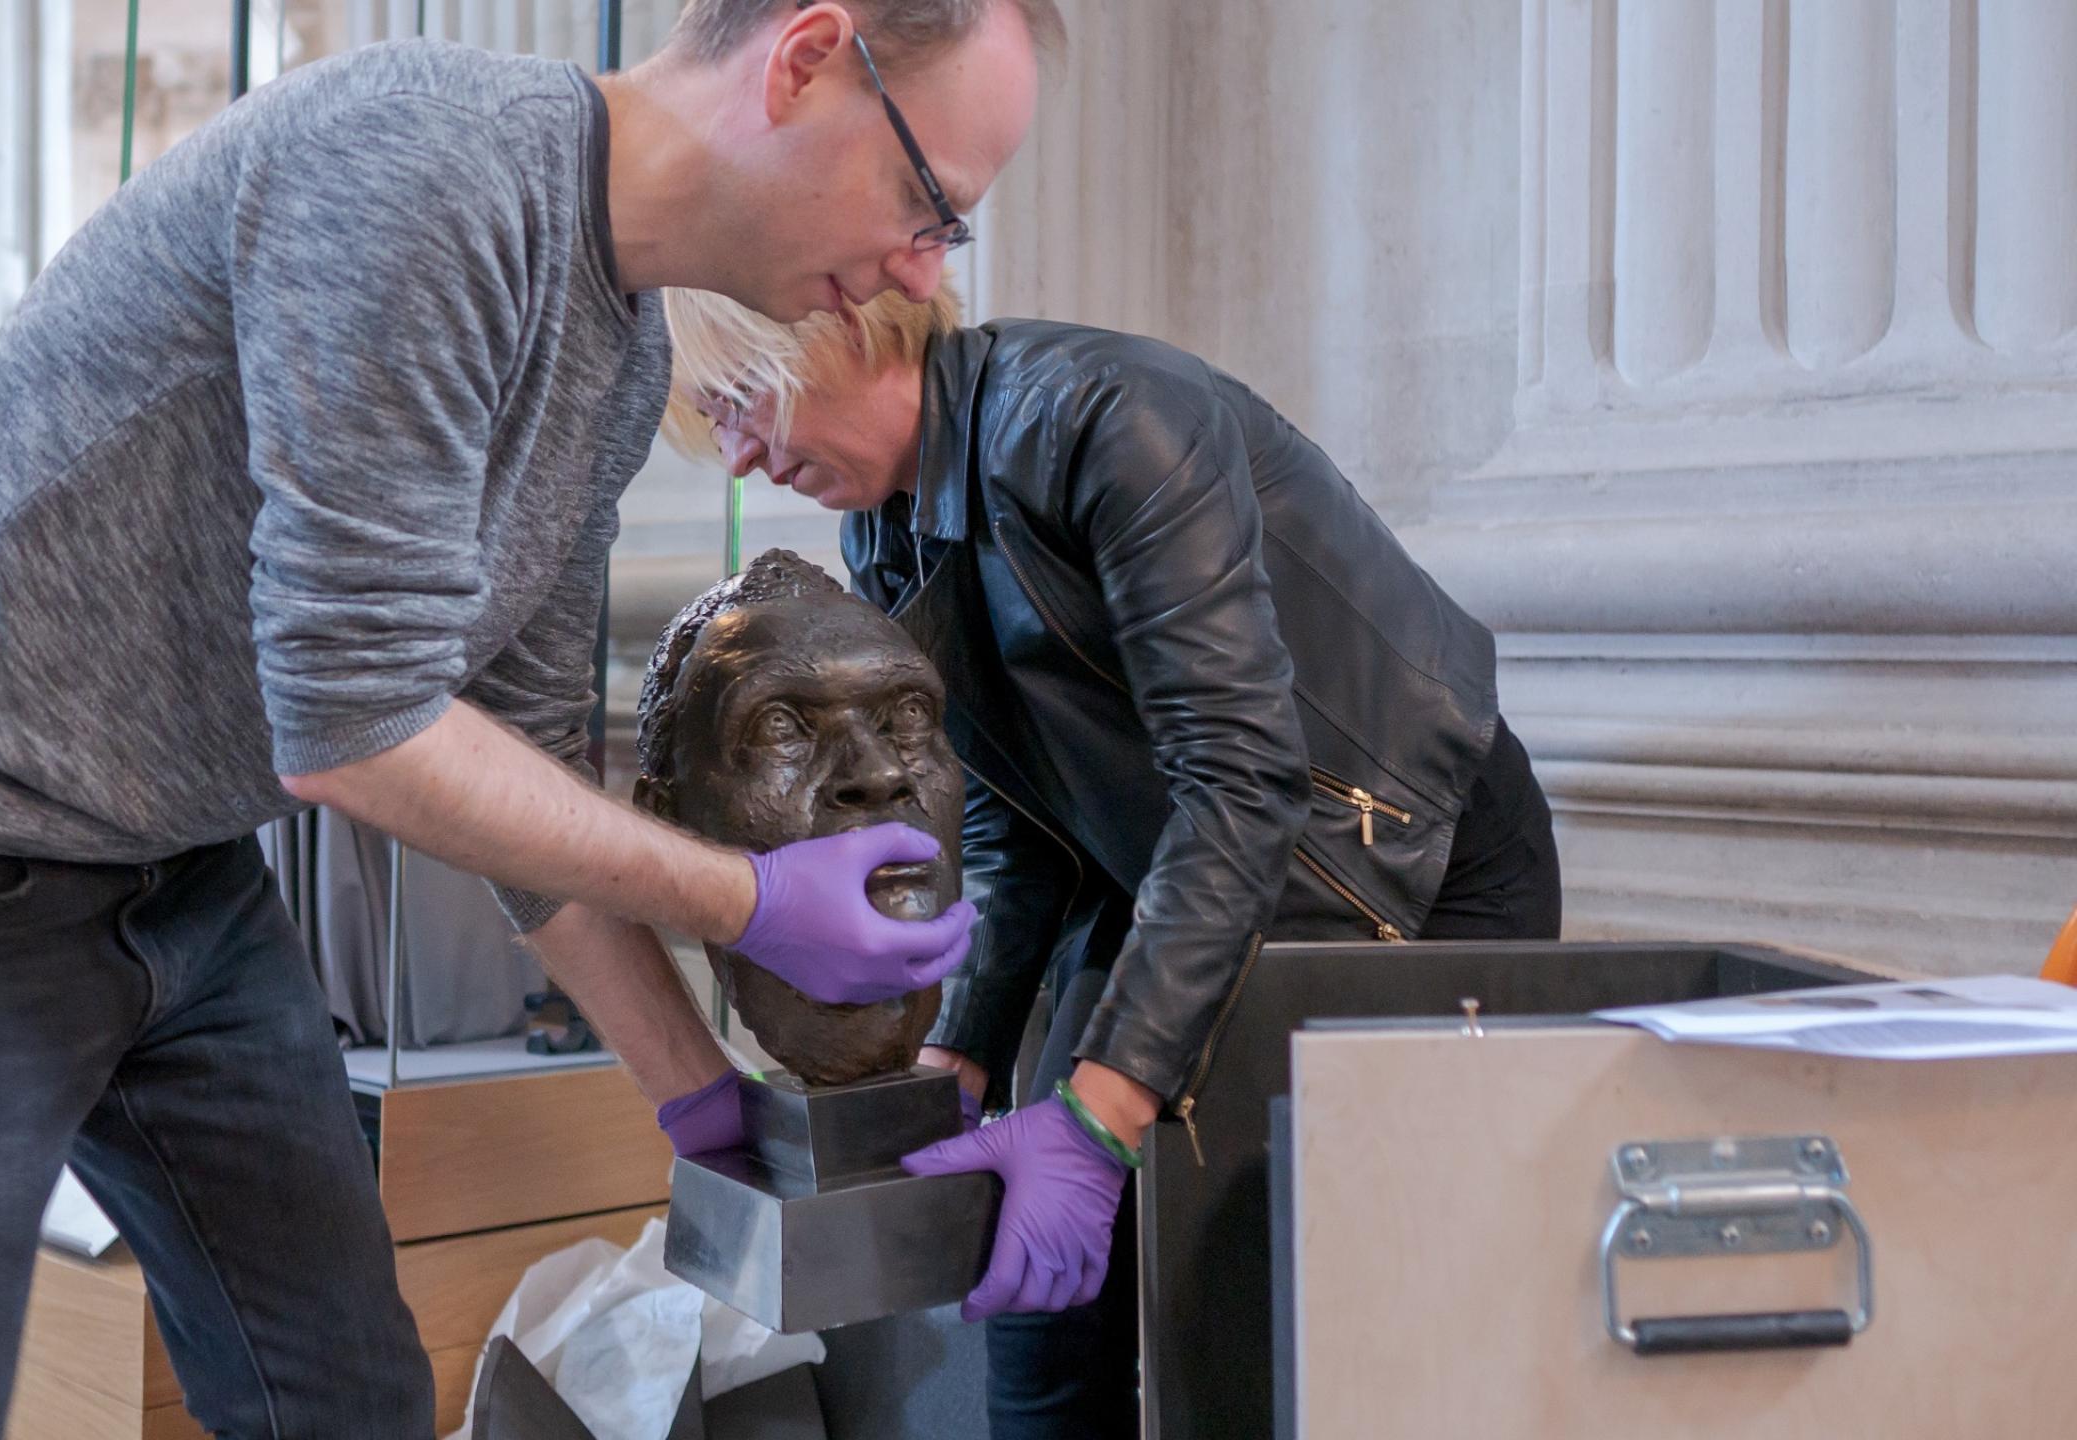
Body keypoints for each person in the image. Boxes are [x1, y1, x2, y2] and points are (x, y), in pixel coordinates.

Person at [0, 4, 1055, 1438]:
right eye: (928, 204)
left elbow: (528, 771)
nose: (917, 269)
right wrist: (749, 900)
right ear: (803, 62)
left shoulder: (619, 364)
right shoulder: (428, 167)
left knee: (340, 1397)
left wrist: (704, 1101)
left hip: (175, 870)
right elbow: (352, 721)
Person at [666, 279, 1562, 1438]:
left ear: (838, 327)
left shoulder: (1104, 418)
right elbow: (1011, 827)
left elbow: (1244, 779)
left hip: (1411, 870)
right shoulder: (883, 532)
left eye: (739, 400)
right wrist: (959, 1062)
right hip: (1183, 872)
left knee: (1279, 1313)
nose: (739, 456)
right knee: (1044, 1319)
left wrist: (1096, 1121)